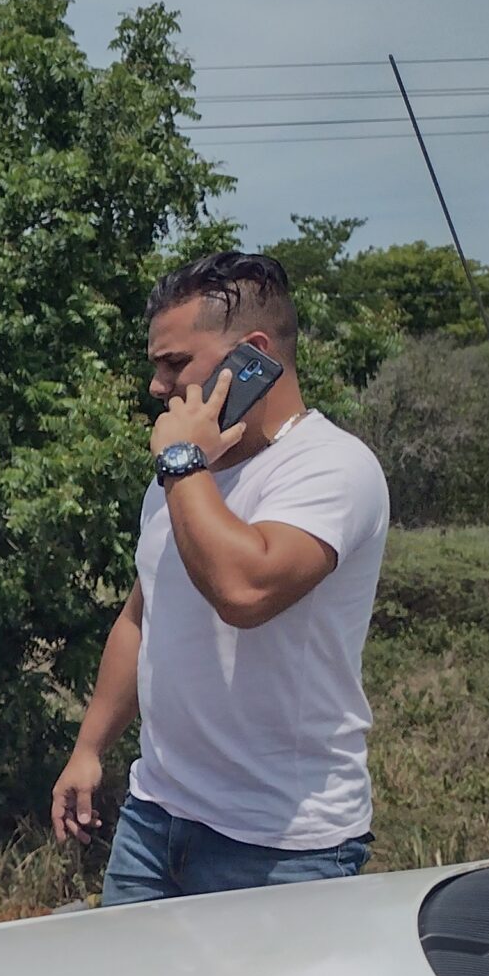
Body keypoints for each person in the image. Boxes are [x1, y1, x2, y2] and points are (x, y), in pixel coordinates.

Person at [52, 251, 390, 904]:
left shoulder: (330, 468)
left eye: (174, 363)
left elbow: (245, 590)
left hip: (279, 843)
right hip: (155, 817)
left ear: (254, 354)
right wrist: (90, 748)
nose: (156, 386)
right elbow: (140, 617)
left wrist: (182, 463)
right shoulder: (186, 476)